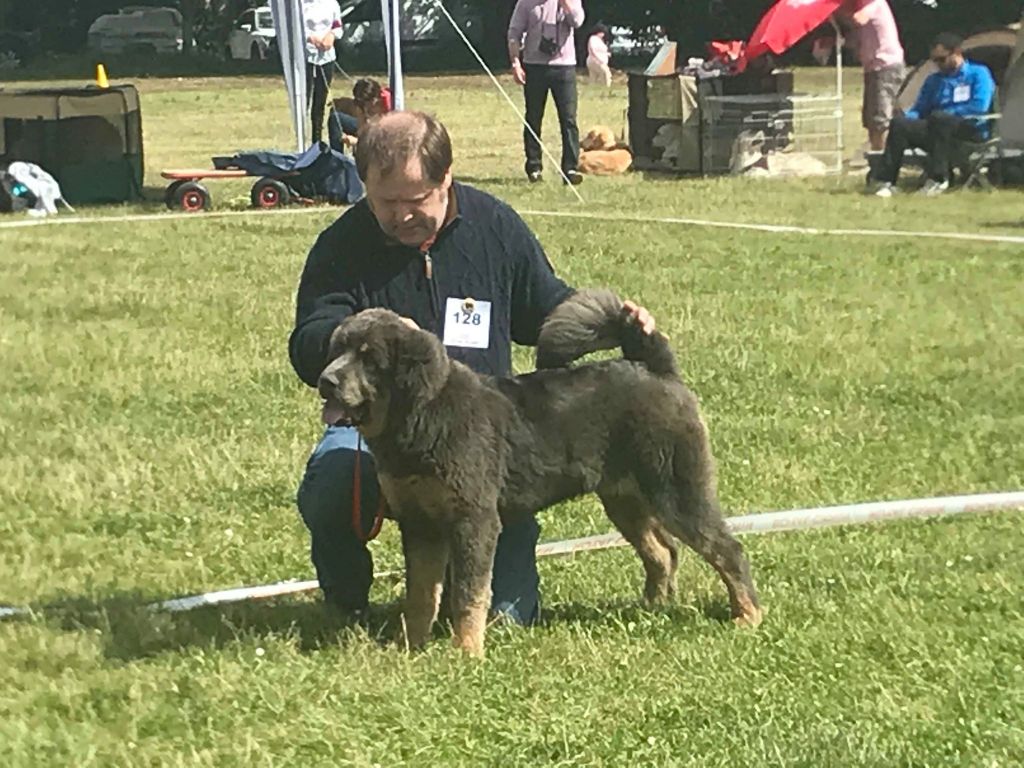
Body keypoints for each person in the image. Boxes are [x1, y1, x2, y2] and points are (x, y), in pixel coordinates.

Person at [288, 111, 656, 624]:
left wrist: (616, 323)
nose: (398, 215)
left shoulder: (495, 227)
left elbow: (542, 306)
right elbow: (308, 338)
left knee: (509, 618)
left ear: (446, 177)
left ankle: (483, 582)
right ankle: (347, 603)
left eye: (413, 200)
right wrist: (359, 335)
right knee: (334, 477)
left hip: (485, 440)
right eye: (383, 201)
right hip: (379, 430)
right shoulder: (342, 245)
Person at [873, 32, 996, 198]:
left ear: (957, 53)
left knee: (940, 118)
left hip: (969, 129)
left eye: (942, 59)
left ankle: (938, 179)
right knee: (900, 124)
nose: (938, 64)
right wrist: (908, 117)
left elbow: (979, 106)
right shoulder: (933, 80)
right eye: (934, 60)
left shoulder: (978, 74)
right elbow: (920, 108)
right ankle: (886, 181)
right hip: (936, 129)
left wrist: (947, 114)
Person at [508, 0, 586, 185]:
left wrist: (565, 4)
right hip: (534, 67)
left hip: (564, 67)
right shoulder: (526, 3)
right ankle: (534, 167)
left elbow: (577, 21)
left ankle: (570, 168)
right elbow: (514, 33)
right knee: (533, 117)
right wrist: (516, 63)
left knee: (569, 119)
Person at [835, 0, 905, 152]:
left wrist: (834, 10)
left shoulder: (875, 4)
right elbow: (855, 41)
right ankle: (876, 154)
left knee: (881, 118)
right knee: (871, 119)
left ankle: (882, 159)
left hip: (886, 66)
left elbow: (857, 18)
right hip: (872, 68)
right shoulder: (864, 9)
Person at [302, 0, 343, 144]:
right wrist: (310, 38)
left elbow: (337, 26)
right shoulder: (300, 4)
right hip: (306, 57)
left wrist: (331, 36)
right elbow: (295, 28)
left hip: (326, 58)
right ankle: (302, 139)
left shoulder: (332, 3)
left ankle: (317, 141)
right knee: (303, 100)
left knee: (320, 102)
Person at [586, 23, 612, 88]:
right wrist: (598, 59)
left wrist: (607, 54)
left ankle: (592, 89)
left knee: (593, 78)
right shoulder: (593, 38)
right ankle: (606, 87)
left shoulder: (600, 40)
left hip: (599, 60)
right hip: (596, 61)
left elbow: (602, 50)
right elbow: (593, 49)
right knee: (606, 73)